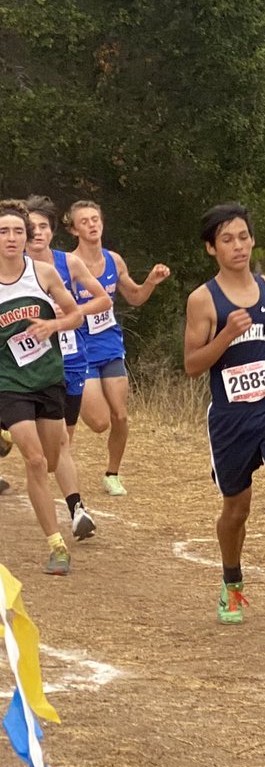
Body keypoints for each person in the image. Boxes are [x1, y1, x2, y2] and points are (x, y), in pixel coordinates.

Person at [182, 203, 265, 625]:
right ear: (211, 248)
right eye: (226, 240)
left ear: (252, 239)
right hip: (231, 418)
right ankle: (232, 583)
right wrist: (225, 336)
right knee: (236, 510)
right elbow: (192, 364)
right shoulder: (203, 300)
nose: (237, 246)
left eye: (243, 237)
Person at [0, 200, 85, 574]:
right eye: (4, 231)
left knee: (51, 459)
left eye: (18, 231)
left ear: (28, 237)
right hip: (9, 382)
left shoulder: (44, 274)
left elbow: (77, 313)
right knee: (33, 460)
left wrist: (53, 326)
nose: (12, 238)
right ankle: (56, 546)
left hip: (48, 377)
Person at [64, 200, 171, 496]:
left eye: (95, 219)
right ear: (74, 229)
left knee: (121, 415)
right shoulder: (69, 265)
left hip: (110, 344)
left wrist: (151, 280)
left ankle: (112, 473)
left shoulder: (115, 260)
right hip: (80, 348)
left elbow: (135, 297)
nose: (92, 225)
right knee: (98, 423)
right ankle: (56, 415)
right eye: (84, 221)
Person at [25, 195, 114, 540]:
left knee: (60, 443)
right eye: (31, 228)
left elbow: (104, 298)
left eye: (43, 227)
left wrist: (70, 314)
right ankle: (77, 509)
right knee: (54, 440)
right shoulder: (11, 270)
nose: (36, 234)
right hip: (25, 365)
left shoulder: (66, 264)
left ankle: (73, 507)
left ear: (51, 231)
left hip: (70, 358)